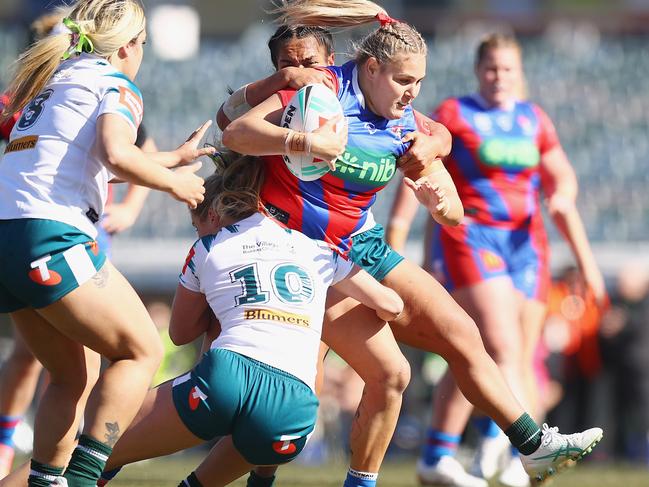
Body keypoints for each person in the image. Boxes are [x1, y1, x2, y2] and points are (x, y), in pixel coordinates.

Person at [221, 2, 603, 487]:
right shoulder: (322, 90)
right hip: (299, 248)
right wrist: (306, 143)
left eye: (419, 82)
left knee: (459, 335)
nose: (413, 93)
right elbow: (238, 132)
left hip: (360, 247)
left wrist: (437, 202)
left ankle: (533, 445)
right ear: (372, 68)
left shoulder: (408, 126)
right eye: (404, 81)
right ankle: (252, 477)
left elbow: (454, 209)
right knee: (307, 390)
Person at [93, 150, 405, 487]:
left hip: (227, 378)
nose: (197, 232)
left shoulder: (209, 247)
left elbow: (181, 333)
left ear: (212, 214)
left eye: (196, 224)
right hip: (294, 411)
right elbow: (392, 304)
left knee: (93, 455)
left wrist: (218, 310)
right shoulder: (317, 248)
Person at [0, 0, 213, 485]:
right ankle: (81, 479)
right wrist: (174, 184)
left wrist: (173, 159)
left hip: (7, 239)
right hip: (50, 234)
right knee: (141, 351)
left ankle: (46, 480)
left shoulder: (51, 85)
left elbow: (76, 165)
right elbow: (118, 153)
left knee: (70, 378)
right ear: (131, 46)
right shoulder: (117, 84)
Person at [387, 32, 607, 486]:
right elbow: (419, 169)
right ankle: (513, 447)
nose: (499, 77)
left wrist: (566, 200)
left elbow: (559, 177)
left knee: (508, 355)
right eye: (491, 68)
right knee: (500, 346)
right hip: (472, 235)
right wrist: (399, 234)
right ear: (477, 70)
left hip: (527, 245)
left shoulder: (533, 119)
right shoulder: (455, 113)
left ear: (519, 73)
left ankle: (441, 457)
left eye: (507, 69)